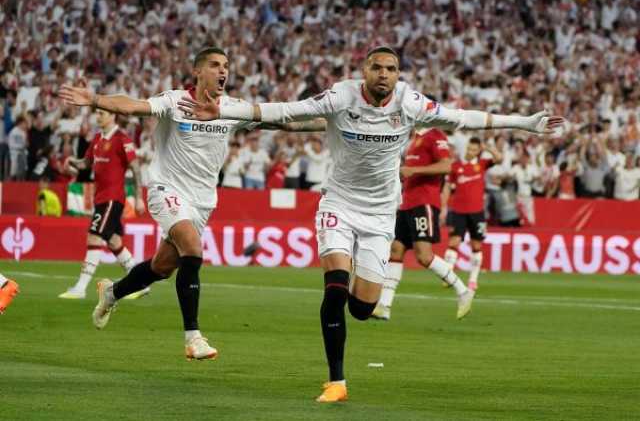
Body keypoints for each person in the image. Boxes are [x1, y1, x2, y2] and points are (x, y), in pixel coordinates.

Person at [178, 46, 564, 402]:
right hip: (339, 204)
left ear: (398, 75)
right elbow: (285, 110)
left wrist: (524, 123)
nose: (383, 74)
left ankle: (350, 310)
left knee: (362, 308)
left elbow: (463, 118)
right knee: (334, 287)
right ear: (364, 71)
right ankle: (337, 381)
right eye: (376, 67)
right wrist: (226, 111)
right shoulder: (341, 96)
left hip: (381, 214)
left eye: (391, 69)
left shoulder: (410, 103)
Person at [59, 47, 315, 361]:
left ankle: (112, 292)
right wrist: (97, 99)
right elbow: (135, 106)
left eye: (226, 65)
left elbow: (283, 122)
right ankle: (193, 337)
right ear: (197, 71)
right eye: (215, 65)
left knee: (161, 267)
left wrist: (328, 125)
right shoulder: (175, 101)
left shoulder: (232, 109)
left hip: (202, 202)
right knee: (192, 249)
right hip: (165, 189)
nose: (223, 71)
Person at [371, 127, 464, 322]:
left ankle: (462, 290)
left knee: (424, 256)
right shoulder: (414, 139)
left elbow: (447, 166)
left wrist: (414, 170)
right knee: (395, 250)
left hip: (424, 203)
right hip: (407, 203)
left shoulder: (435, 135)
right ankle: (384, 306)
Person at [58, 108, 146, 300]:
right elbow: (86, 164)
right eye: (97, 113)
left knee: (94, 237)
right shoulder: (97, 138)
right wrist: (72, 161)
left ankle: (80, 288)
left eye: (102, 113)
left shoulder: (123, 139)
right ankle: (141, 283)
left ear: (113, 115)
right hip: (101, 198)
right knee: (114, 241)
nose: (98, 116)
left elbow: (136, 169)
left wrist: (139, 197)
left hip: (112, 199)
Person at [442, 137, 503, 292]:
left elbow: (499, 158)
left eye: (474, 149)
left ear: (478, 151)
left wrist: (488, 148)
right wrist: (443, 208)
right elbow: (448, 187)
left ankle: (473, 280)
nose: (470, 151)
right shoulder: (456, 166)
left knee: (476, 245)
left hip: (477, 213)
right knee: (454, 242)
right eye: (469, 148)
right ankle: (448, 276)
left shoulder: (482, 164)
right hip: (458, 211)